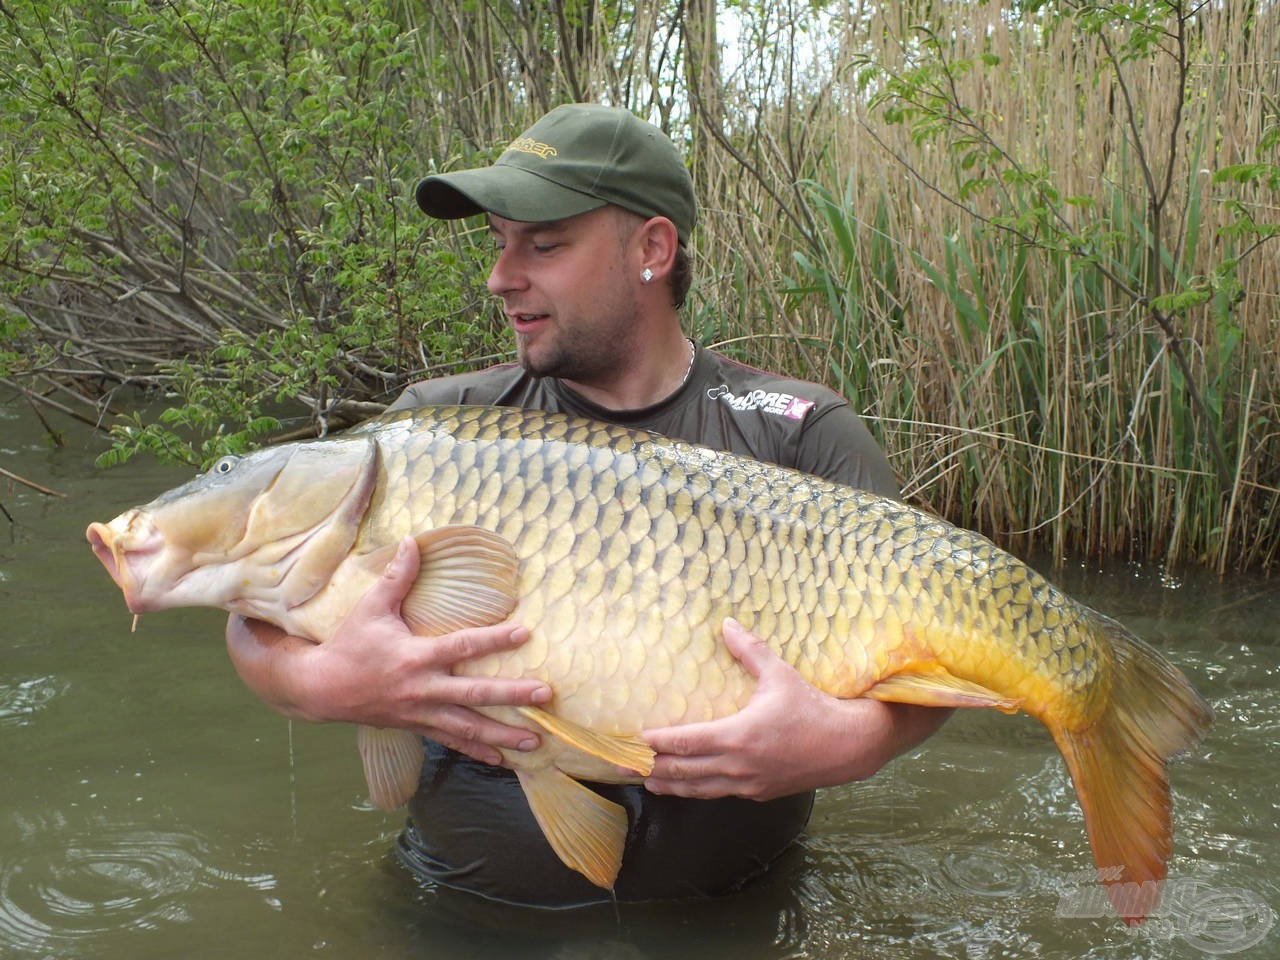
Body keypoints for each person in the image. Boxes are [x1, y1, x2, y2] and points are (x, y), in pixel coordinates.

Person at [226, 103, 950, 907]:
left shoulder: (801, 435)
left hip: (736, 922)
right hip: (456, 915)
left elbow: (941, 652)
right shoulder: (435, 430)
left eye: (543, 244)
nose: (501, 276)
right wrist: (328, 685)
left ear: (652, 248)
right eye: (499, 243)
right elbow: (255, 611)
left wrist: (851, 743)